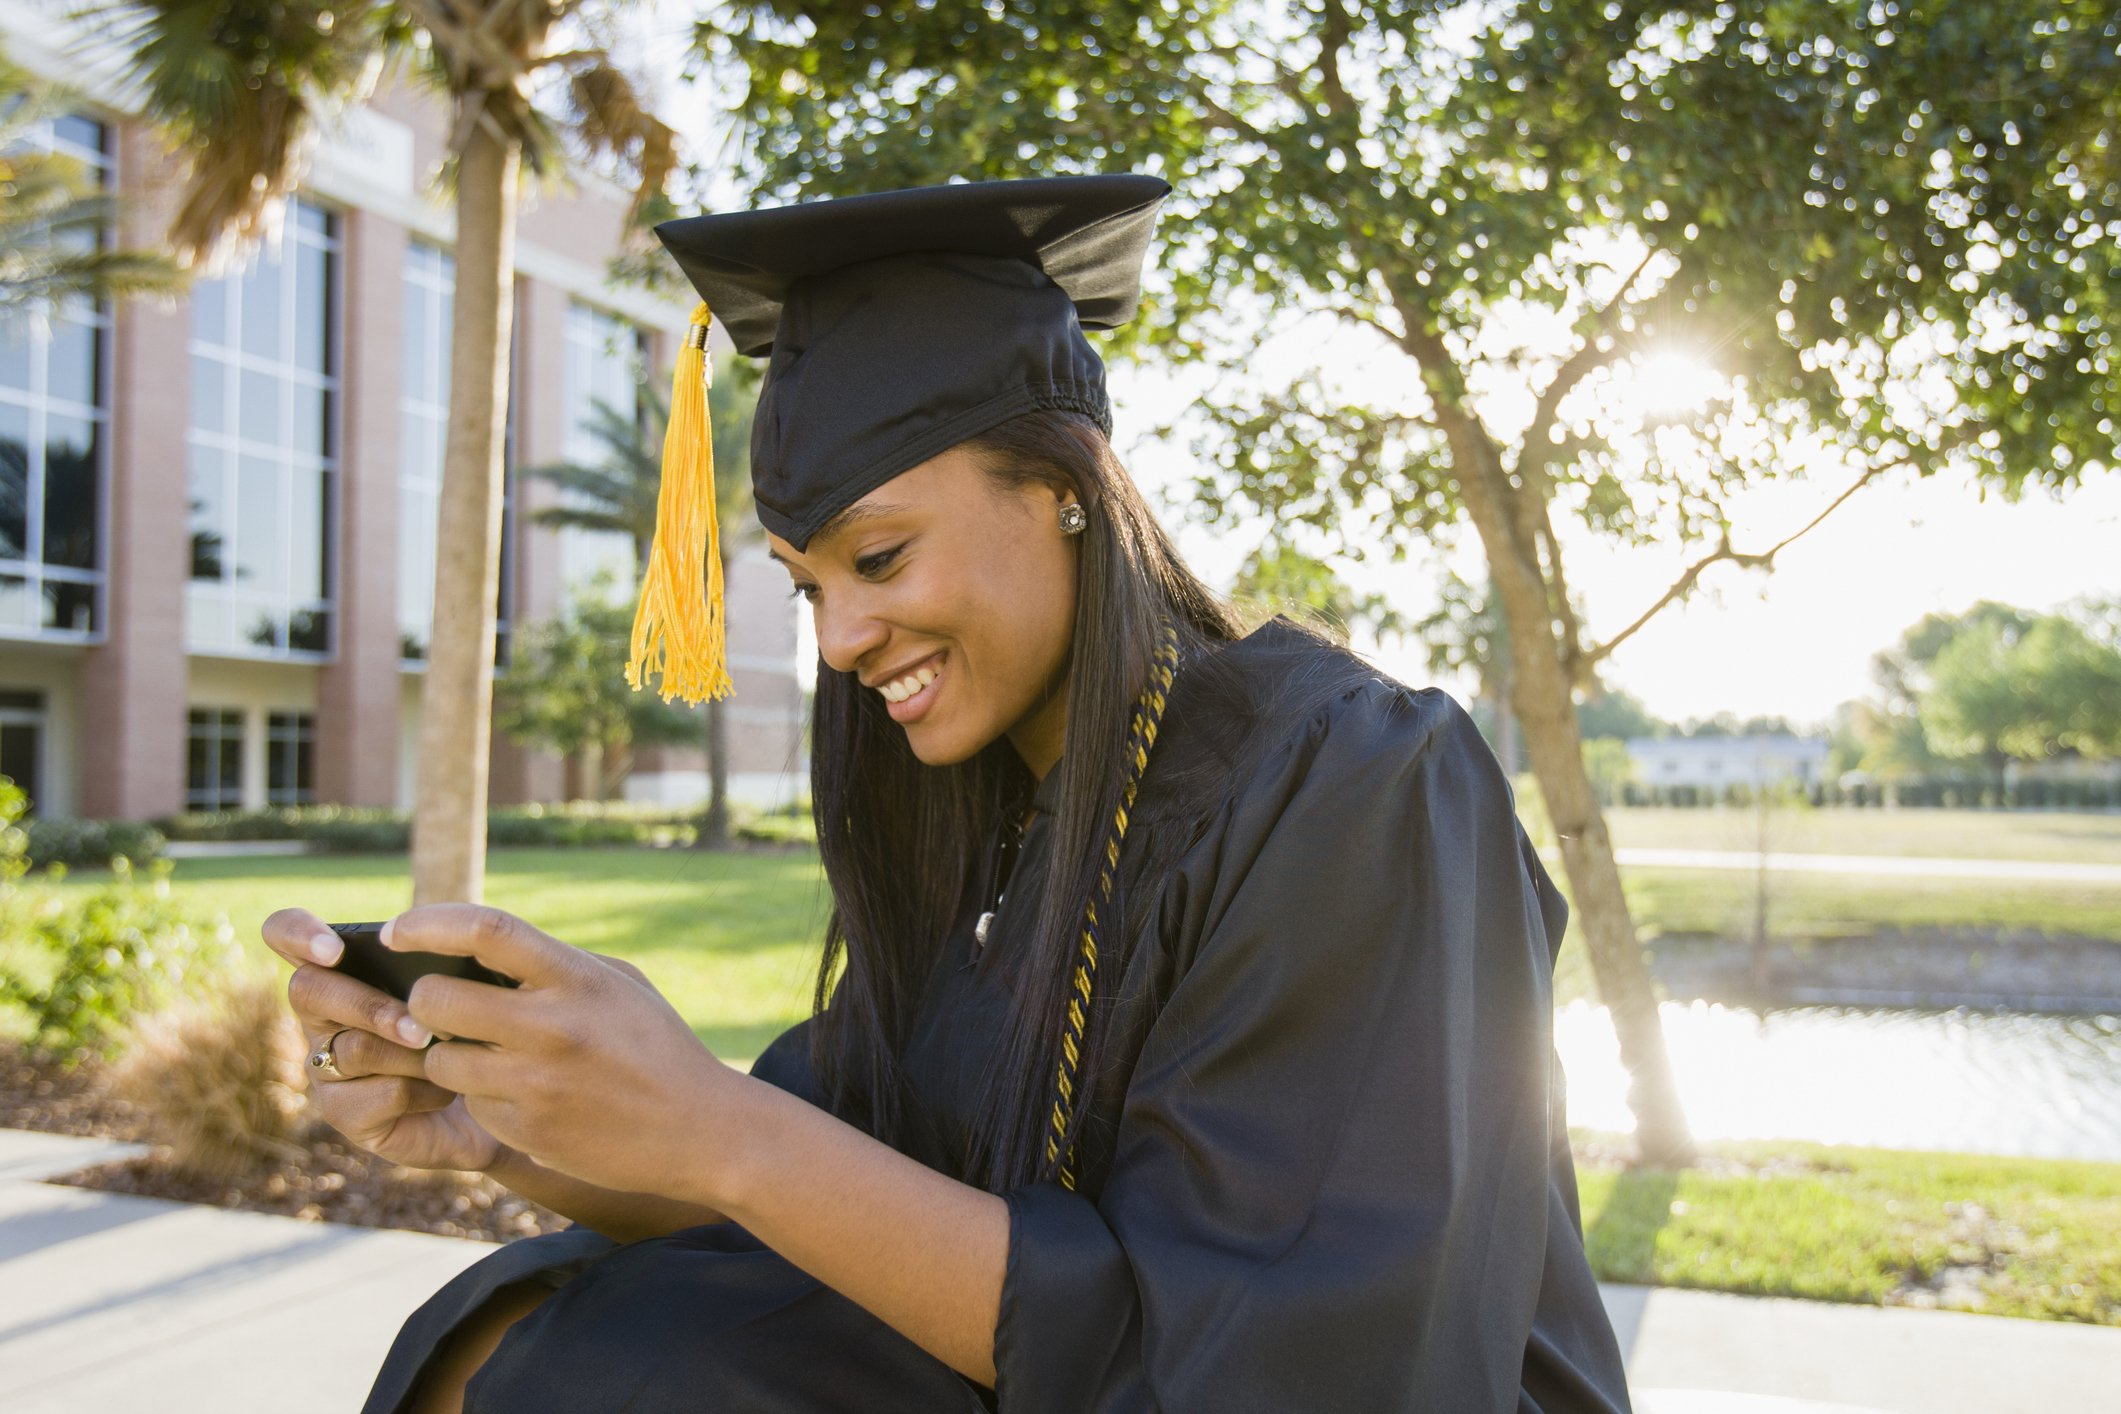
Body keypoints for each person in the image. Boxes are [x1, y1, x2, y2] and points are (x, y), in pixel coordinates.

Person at [263, 174, 1634, 1413]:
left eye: (879, 557)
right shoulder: (992, 837)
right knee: (530, 1327)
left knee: (639, 1371)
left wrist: (723, 1127)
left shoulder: (1350, 786)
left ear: (1061, 494)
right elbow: (826, 1204)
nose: (840, 638)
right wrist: (510, 1132)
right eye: (808, 587)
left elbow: (1303, 1364)